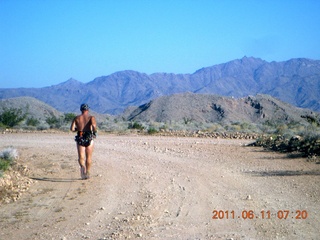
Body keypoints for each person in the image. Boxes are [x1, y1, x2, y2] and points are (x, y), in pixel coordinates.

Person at [70, 103, 97, 179]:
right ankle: (88, 172)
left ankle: (82, 167)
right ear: (88, 110)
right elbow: (94, 126)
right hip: (89, 137)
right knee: (89, 157)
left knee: (81, 157)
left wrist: (77, 129)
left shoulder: (76, 118)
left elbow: (72, 129)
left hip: (80, 136)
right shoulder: (91, 117)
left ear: (81, 109)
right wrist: (94, 133)